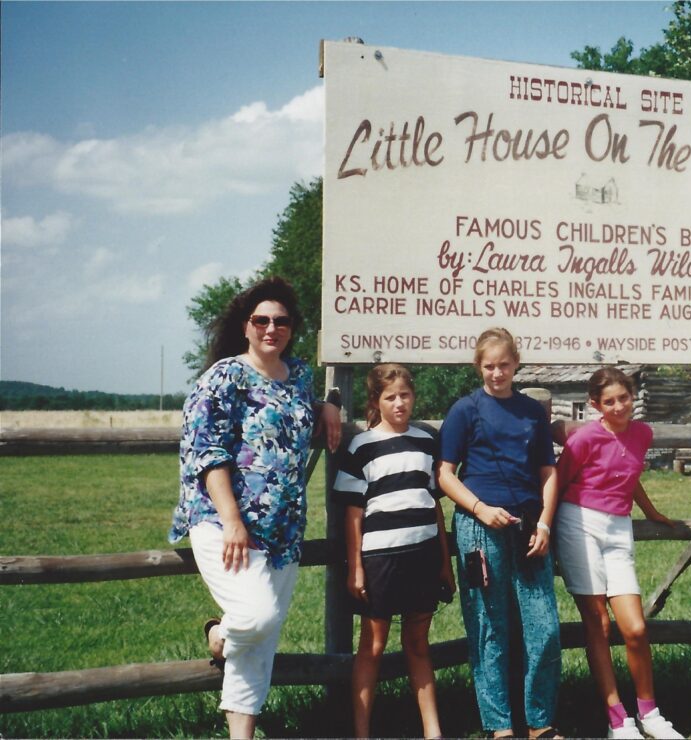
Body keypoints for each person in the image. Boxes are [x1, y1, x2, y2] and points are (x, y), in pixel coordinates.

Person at [169, 276, 340, 739]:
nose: (271, 328)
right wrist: (232, 521)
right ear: (245, 325)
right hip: (226, 523)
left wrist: (327, 406)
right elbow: (207, 452)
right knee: (256, 618)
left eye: (281, 321)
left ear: (291, 328)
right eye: (261, 320)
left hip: (282, 529)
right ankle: (218, 635)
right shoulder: (223, 377)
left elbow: (304, 404)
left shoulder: (299, 375)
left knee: (263, 642)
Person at [437, 327, 563, 739]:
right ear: (479, 366)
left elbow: (548, 472)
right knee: (489, 625)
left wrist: (545, 522)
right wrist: (479, 508)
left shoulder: (530, 412)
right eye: (489, 366)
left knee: (543, 626)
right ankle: (500, 726)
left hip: (528, 526)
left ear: (516, 364)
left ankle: (540, 721)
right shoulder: (465, 410)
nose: (497, 373)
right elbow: (445, 475)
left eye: (504, 365)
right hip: (479, 526)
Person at [554, 367, 683, 739]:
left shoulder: (642, 433)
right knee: (599, 624)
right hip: (578, 523)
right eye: (608, 401)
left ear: (632, 397)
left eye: (623, 398)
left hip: (619, 527)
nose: (618, 406)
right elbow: (560, 481)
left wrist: (651, 511)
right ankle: (617, 719)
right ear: (596, 405)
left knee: (635, 628)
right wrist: (544, 525)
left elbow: (628, 473)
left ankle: (650, 713)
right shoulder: (585, 438)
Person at [333, 364, 455, 739]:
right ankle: (362, 731)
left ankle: (432, 731)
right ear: (376, 401)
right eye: (390, 397)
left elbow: (433, 503)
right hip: (380, 559)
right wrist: (356, 568)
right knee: (372, 646)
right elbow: (353, 515)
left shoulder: (425, 441)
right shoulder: (361, 447)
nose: (399, 403)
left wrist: (444, 563)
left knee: (418, 643)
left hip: (422, 555)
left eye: (405, 395)